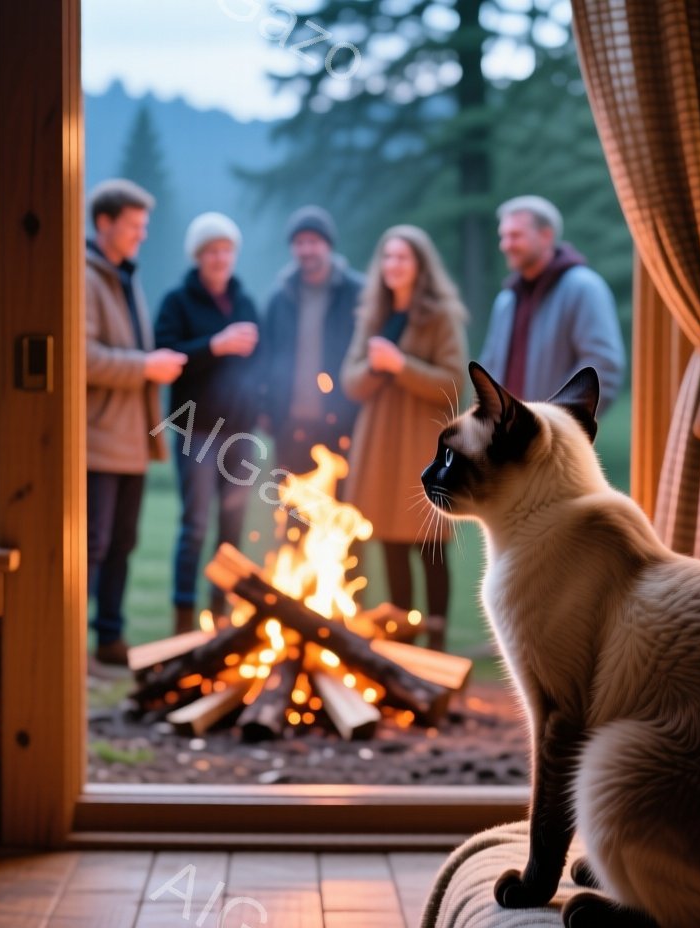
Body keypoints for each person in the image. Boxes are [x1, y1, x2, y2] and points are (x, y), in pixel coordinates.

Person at [341, 225, 469, 652]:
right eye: (388, 257)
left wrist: (401, 365)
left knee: (428, 543)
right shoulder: (373, 314)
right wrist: (378, 369)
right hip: (379, 443)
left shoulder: (440, 316)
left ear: (420, 266)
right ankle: (400, 644)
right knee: (390, 542)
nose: (393, 265)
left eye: (403, 258)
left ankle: (435, 646)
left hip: (421, 442)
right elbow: (351, 382)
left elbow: (453, 384)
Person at [85, 178, 186, 666]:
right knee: (94, 544)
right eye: (133, 226)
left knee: (123, 541)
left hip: (130, 438)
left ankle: (109, 638)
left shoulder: (124, 274)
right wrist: (145, 367)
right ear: (104, 223)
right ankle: (73, 642)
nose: (141, 235)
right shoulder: (85, 276)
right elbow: (81, 357)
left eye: (144, 227)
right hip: (98, 436)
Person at [154, 212, 261, 636]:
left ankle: (221, 613)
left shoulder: (246, 301)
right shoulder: (177, 302)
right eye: (212, 251)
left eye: (226, 250)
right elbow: (166, 358)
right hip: (196, 429)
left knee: (232, 528)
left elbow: (263, 359)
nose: (220, 258)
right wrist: (215, 345)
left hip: (240, 432)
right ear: (198, 256)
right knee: (196, 524)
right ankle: (183, 618)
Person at [480, 195, 625, 415]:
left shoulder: (584, 288)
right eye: (503, 236)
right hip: (503, 441)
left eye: (515, 236)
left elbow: (603, 366)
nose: (505, 245)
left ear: (546, 235)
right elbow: (489, 369)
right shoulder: (506, 301)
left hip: (553, 442)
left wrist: (556, 423)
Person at [258, 205, 365, 476]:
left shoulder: (357, 294)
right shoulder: (279, 298)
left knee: (341, 512)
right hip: (289, 425)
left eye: (313, 242)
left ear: (328, 245)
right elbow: (264, 358)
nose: (306, 250)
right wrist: (265, 408)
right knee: (293, 511)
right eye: (300, 243)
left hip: (343, 424)